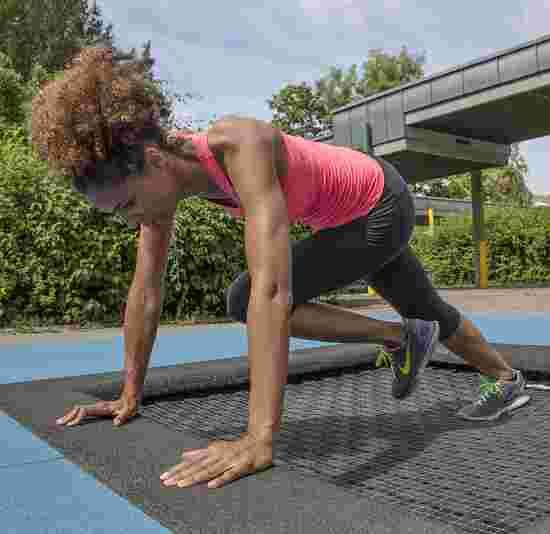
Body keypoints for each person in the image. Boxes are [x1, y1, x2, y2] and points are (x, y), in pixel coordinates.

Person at [32, 46, 529, 491]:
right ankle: (504, 379)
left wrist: (258, 438)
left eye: (127, 206)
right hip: (352, 215)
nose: (132, 219)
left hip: (380, 205)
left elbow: (272, 291)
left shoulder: (241, 145)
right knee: (428, 309)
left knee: (245, 296)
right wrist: (128, 394)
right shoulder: (159, 194)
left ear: (153, 159)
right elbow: (145, 293)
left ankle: (401, 338)